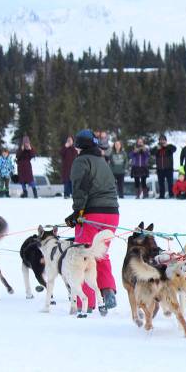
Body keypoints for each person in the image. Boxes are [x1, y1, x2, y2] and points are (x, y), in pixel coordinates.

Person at [66, 129, 120, 314]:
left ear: (79, 146)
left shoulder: (81, 161)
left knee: (84, 254)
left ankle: (86, 302)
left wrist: (76, 213)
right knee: (100, 252)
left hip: (92, 214)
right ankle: (108, 291)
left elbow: (80, 188)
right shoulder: (102, 161)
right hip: (112, 213)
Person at [154, 134, 177, 199]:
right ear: (159, 141)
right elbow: (152, 152)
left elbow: (175, 149)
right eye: (161, 140)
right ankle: (162, 195)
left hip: (168, 168)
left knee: (170, 183)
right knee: (161, 183)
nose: (162, 141)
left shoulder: (169, 146)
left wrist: (166, 146)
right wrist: (157, 149)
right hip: (160, 169)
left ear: (166, 141)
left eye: (163, 140)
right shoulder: (157, 147)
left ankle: (171, 195)